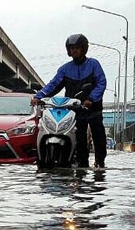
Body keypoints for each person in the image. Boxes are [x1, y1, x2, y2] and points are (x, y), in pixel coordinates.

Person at [31, 33, 107, 168]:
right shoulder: (65, 69)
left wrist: (91, 98)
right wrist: (39, 96)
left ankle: (100, 164)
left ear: (84, 49)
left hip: (93, 108)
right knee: (79, 140)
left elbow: (101, 83)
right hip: (75, 110)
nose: (74, 51)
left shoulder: (94, 64)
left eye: (77, 48)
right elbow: (53, 85)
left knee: (99, 137)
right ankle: (82, 166)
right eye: (71, 48)